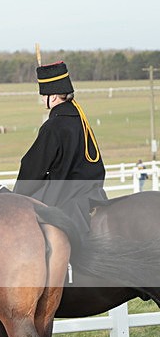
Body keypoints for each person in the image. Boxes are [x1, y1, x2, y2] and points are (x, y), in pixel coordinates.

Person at [13, 61, 107, 235]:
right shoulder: (80, 119)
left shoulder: (54, 126)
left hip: (65, 196)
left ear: (53, 96)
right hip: (91, 192)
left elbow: (33, 167)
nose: (42, 99)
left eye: (43, 95)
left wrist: (16, 195)